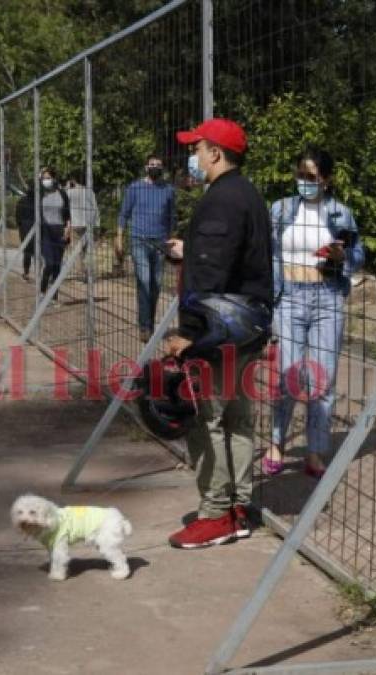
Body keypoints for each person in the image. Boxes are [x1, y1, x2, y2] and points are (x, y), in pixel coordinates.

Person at [164, 119, 273, 549]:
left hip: (220, 331)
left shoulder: (219, 200)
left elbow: (209, 276)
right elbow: (229, 260)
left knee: (203, 416)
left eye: (198, 148)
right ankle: (240, 509)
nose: (194, 157)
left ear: (215, 153)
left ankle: (215, 514)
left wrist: (190, 337)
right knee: (238, 419)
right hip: (248, 325)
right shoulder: (248, 194)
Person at [262, 146, 365, 479]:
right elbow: (264, 250)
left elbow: (358, 254)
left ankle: (316, 451)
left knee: (324, 377)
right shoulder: (279, 209)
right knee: (289, 374)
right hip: (289, 296)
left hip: (327, 297)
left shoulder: (341, 214)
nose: (304, 182)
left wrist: (342, 258)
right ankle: (276, 442)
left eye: (312, 177)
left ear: (326, 179)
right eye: (300, 175)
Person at [117, 154, 177, 342]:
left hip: (160, 242)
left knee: (156, 284)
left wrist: (171, 239)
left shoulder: (168, 190)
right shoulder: (135, 187)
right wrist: (119, 236)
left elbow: (172, 216)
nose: (155, 167)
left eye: (158, 165)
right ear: (145, 167)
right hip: (139, 240)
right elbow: (124, 213)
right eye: (152, 164)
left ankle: (150, 323)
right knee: (144, 282)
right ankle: (145, 327)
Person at [37, 167, 71, 300]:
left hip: (60, 231)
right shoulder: (39, 194)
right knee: (49, 263)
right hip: (46, 231)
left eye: (48, 177)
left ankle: (54, 295)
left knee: (57, 265)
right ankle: (43, 290)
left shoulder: (62, 194)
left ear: (54, 178)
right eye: (44, 178)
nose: (46, 180)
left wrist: (68, 228)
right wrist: (38, 175)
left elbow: (67, 214)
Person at [65, 170, 99, 282]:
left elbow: (65, 206)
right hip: (88, 224)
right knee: (88, 250)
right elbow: (95, 208)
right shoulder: (90, 192)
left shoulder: (70, 192)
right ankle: (90, 274)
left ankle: (82, 273)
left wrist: (67, 187)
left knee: (77, 250)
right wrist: (97, 224)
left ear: (74, 181)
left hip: (75, 223)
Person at [15, 182, 36, 280]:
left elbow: (18, 215)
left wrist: (20, 225)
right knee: (37, 250)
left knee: (27, 251)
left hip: (24, 227)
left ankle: (26, 272)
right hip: (36, 226)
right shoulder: (39, 201)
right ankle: (39, 272)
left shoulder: (22, 200)